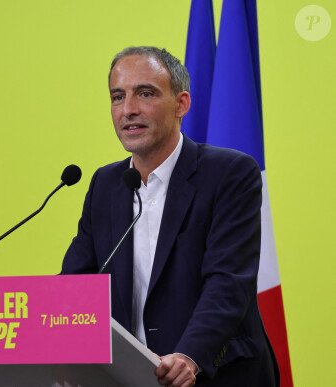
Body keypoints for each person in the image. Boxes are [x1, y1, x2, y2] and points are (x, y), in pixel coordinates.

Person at [60, 46, 279, 387]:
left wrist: (189, 356)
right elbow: (73, 287)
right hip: (126, 378)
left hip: (215, 374)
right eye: (118, 97)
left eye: (145, 93)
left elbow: (228, 281)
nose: (128, 110)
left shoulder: (230, 173)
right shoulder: (106, 184)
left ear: (182, 104)